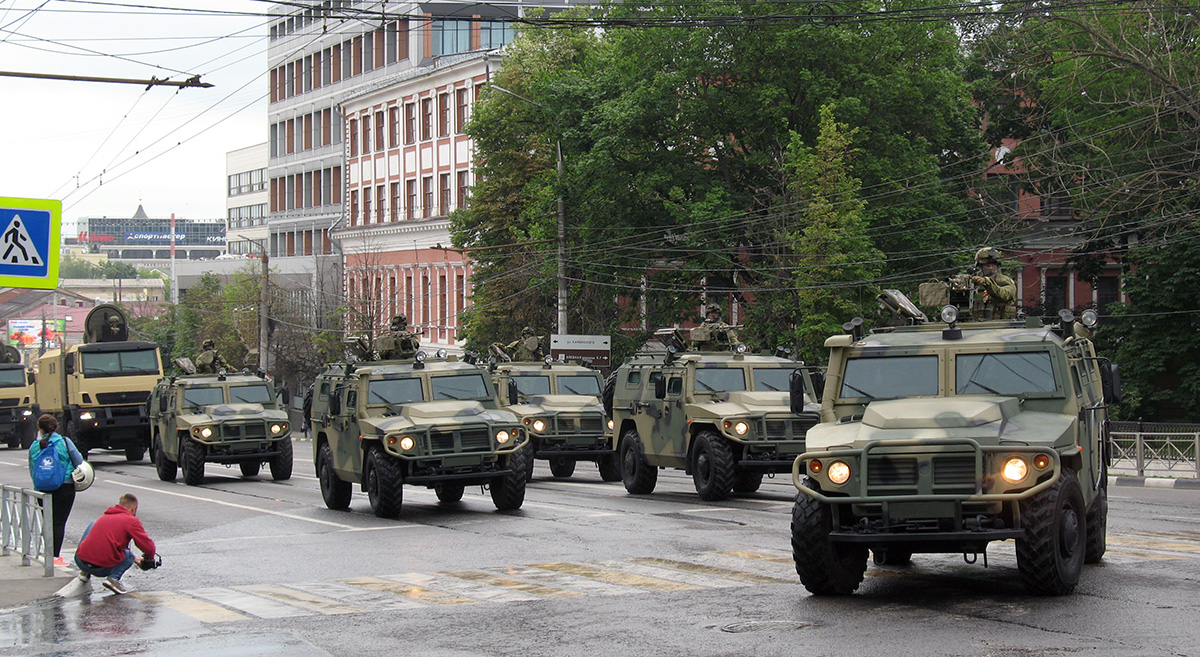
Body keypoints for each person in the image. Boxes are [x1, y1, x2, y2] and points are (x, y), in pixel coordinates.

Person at [27, 414, 84, 567]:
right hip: (64, 487)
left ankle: (47, 555)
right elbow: (79, 461)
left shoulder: (34, 446)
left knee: (48, 522)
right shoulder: (64, 442)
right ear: (56, 427)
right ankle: (55, 557)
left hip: (42, 489)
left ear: (40, 428)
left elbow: (32, 469)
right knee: (59, 523)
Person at [74, 493, 156, 595]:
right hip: (102, 569)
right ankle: (113, 579)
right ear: (134, 509)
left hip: (80, 562)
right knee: (128, 555)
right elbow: (148, 546)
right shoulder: (131, 520)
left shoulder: (105, 516)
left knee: (93, 527)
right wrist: (149, 559)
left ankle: (85, 572)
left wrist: (136, 559)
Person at [970, 247, 1017, 320]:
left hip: (1000, 326)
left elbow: (1005, 295)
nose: (991, 268)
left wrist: (987, 282)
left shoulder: (1005, 281)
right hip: (977, 326)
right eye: (987, 266)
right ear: (980, 267)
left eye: (993, 265)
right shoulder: (974, 283)